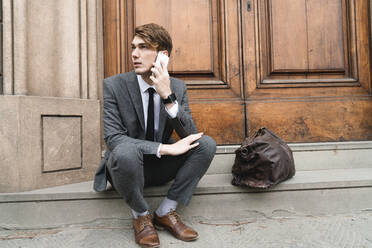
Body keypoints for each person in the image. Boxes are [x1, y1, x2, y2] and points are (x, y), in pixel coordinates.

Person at [93, 23, 216, 248]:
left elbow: (190, 134)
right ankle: (141, 215)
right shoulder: (113, 85)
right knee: (125, 150)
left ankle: (165, 211)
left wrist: (167, 95)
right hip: (125, 167)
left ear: (163, 55)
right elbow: (113, 138)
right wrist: (165, 148)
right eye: (133, 47)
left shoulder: (176, 87)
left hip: (159, 169)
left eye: (143, 47)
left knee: (206, 144)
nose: (134, 54)